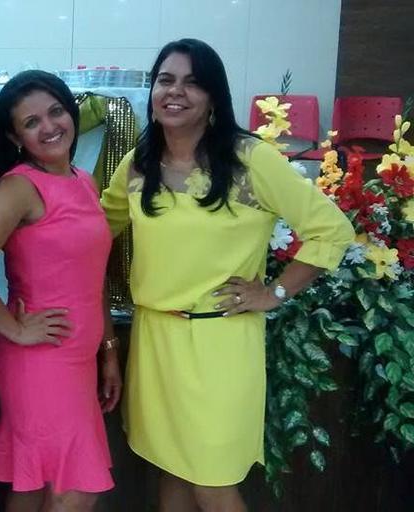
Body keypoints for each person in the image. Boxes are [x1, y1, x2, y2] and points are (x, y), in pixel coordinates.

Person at [99, 38, 355, 512]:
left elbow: (332, 230)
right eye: (165, 80)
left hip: (220, 343)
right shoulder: (138, 164)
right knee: (172, 469)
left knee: (213, 484)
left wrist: (274, 292)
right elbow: (93, 234)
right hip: (156, 339)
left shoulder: (249, 159)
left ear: (214, 96)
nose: (175, 92)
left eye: (192, 83)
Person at [0, 70, 122, 512]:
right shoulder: (19, 186)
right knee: (74, 492)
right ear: (15, 136)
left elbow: (93, 274)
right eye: (31, 122)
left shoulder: (83, 180)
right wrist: (14, 328)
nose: (49, 127)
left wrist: (108, 349)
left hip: (77, 359)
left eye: (55, 112)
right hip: (39, 360)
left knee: (36, 484)